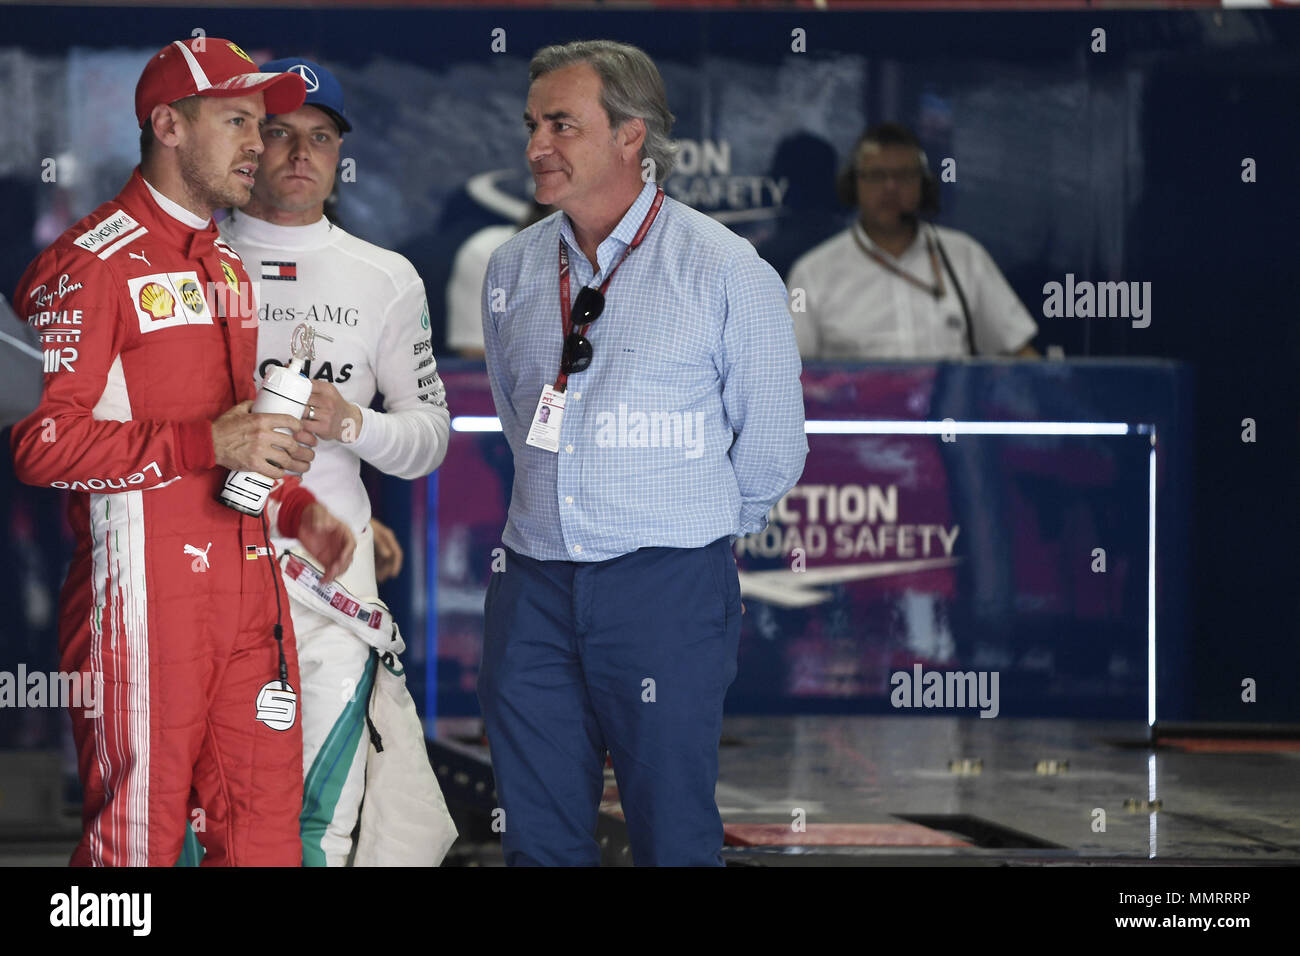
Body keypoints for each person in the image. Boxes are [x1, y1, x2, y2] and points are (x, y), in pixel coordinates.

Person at [7, 38, 355, 866]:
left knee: (265, 836)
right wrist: (211, 440)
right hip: (141, 600)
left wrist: (298, 505)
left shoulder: (229, 264)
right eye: (238, 121)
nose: (259, 145)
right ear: (167, 124)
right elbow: (37, 444)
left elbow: (235, 437)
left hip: (250, 589)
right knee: (136, 844)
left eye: (261, 124)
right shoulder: (84, 265)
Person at [480, 40, 807, 867]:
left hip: (666, 586)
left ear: (632, 134)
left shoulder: (725, 268)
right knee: (539, 838)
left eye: (562, 124)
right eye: (531, 124)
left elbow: (771, 445)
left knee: (671, 833)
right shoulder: (513, 269)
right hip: (533, 585)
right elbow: (522, 421)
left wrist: (684, 529)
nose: (535, 147)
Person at [219, 57, 452, 866]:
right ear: (248, 140)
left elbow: (430, 437)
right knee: (206, 806)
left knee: (325, 811)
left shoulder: (385, 276)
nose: (298, 154)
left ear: (339, 154)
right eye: (277, 133)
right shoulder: (190, 261)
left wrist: (354, 422)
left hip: (331, 581)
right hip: (208, 569)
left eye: (320, 137)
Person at [789, 122, 1039, 359]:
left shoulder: (966, 257)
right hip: (855, 406)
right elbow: (794, 374)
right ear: (854, 184)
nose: (890, 187)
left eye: (904, 175)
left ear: (924, 185)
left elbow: (1018, 352)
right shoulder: (812, 274)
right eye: (877, 175)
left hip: (950, 404)